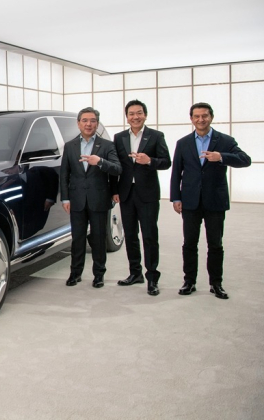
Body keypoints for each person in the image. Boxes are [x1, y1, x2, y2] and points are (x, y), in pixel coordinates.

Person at [170, 102, 251, 299]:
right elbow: (176, 173)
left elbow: (245, 160)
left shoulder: (224, 140)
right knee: (189, 243)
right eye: (196, 116)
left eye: (204, 116)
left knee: (215, 244)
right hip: (190, 201)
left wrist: (221, 157)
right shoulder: (183, 143)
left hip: (215, 200)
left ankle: (216, 283)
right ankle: (189, 281)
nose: (201, 120)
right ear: (191, 119)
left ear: (211, 117)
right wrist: (175, 198)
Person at [110, 100, 171, 296]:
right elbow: (115, 166)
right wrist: (114, 190)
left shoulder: (156, 136)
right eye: (131, 114)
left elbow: (166, 162)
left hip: (148, 193)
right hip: (126, 193)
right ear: (126, 117)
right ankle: (135, 273)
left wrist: (150, 161)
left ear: (145, 115)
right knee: (130, 235)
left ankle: (152, 278)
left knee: (149, 236)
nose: (135, 117)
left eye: (139, 113)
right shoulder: (119, 138)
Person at [60, 107, 121, 288]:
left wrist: (100, 162)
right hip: (77, 200)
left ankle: (99, 274)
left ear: (97, 123)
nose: (88, 124)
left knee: (98, 238)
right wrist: (65, 198)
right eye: (85, 120)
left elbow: (117, 169)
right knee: (77, 238)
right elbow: (64, 174)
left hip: (99, 199)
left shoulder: (107, 145)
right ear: (78, 123)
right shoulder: (70, 146)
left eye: (93, 120)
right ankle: (75, 273)